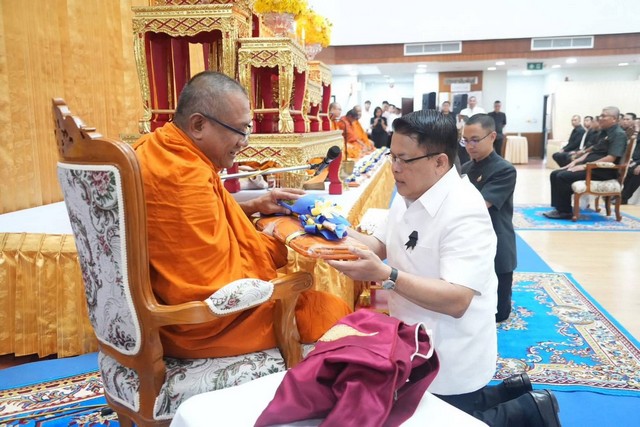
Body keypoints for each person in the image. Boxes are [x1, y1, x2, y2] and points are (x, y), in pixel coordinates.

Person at [327, 110, 560, 426]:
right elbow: (380, 244)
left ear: (439, 162)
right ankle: (508, 393)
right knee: (423, 408)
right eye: (392, 157)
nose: (395, 168)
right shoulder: (411, 190)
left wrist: (386, 275)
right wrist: (329, 227)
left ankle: (530, 409)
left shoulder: (464, 211)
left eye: (404, 159)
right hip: (413, 334)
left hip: (450, 348)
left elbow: (456, 300)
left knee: (443, 416)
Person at [133, 71, 351, 359]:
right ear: (198, 125)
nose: (244, 142)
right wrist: (269, 241)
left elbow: (197, 220)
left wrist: (255, 205)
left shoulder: (155, 147)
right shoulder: (184, 175)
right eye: (239, 130)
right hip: (204, 326)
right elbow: (217, 288)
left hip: (162, 314)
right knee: (332, 313)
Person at [461, 114, 517, 322]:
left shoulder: (504, 169)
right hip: (469, 240)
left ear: (492, 136)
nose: (470, 146)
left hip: (496, 242)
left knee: (498, 314)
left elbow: (479, 206)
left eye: (475, 140)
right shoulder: (466, 168)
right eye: (466, 140)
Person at [544, 106, 628, 219]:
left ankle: (565, 212)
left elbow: (611, 158)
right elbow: (593, 151)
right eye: (600, 115)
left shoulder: (619, 134)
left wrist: (584, 166)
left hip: (602, 170)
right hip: (591, 167)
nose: (600, 118)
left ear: (614, 119)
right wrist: (576, 161)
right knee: (555, 174)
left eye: (604, 116)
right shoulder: (603, 132)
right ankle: (559, 207)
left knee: (563, 176)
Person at [621, 134, 640, 204]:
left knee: (637, 172)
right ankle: (621, 195)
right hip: (635, 160)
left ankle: (624, 197)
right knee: (628, 169)